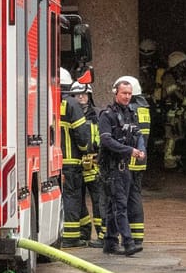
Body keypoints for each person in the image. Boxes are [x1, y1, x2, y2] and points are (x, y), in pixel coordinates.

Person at [97, 76, 145, 257]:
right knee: (120, 205)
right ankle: (128, 242)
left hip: (124, 167)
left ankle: (109, 242)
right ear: (115, 93)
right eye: (124, 93)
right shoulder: (107, 115)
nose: (127, 96)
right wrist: (129, 150)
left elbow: (138, 134)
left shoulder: (130, 113)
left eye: (129, 94)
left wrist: (140, 150)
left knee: (112, 206)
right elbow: (106, 140)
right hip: (111, 168)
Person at [56, 68, 91, 248]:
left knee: (72, 197)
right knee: (72, 197)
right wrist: (87, 150)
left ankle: (85, 230)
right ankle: (71, 237)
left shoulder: (46, 100)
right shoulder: (71, 103)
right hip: (71, 161)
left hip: (52, 161)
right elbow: (82, 134)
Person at [69, 80, 106, 245]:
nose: (81, 97)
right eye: (77, 94)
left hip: (95, 164)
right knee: (77, 200)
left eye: (84, 94)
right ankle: (83, 233)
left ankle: (103, 235)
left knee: (99, 200)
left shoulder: (98, 114)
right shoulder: (70, 113)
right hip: (76, 165)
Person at [157, 51, 186, 172]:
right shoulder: (169, 76)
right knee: (171, 137)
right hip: (172, 111)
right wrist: (184, 100)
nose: (185, 66)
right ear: (177, 64)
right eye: (182, 64)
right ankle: (169, 163)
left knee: (180, 136)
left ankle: (178, 160)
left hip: (182, 112)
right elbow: (172, 92)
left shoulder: (182, 77)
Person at [125, 74, 150, 252]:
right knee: (135, 197)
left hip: (129, 160)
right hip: (140, 160)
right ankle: (137, 236)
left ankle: (128, 237)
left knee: (124, 199)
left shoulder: (131, 110)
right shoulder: (144, 109)